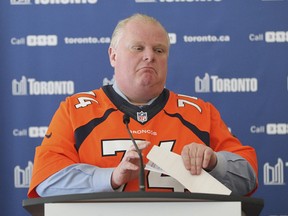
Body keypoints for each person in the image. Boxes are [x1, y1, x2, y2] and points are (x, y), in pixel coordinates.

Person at [28, 13, 258, 198]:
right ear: (113, 56)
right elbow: (47, 180)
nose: (150, 56)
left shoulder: (199, 112)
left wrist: (213, 162)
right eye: (138, 48)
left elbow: (248, 178)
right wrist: (111, 178)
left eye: (159, 50)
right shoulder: (75, 110)